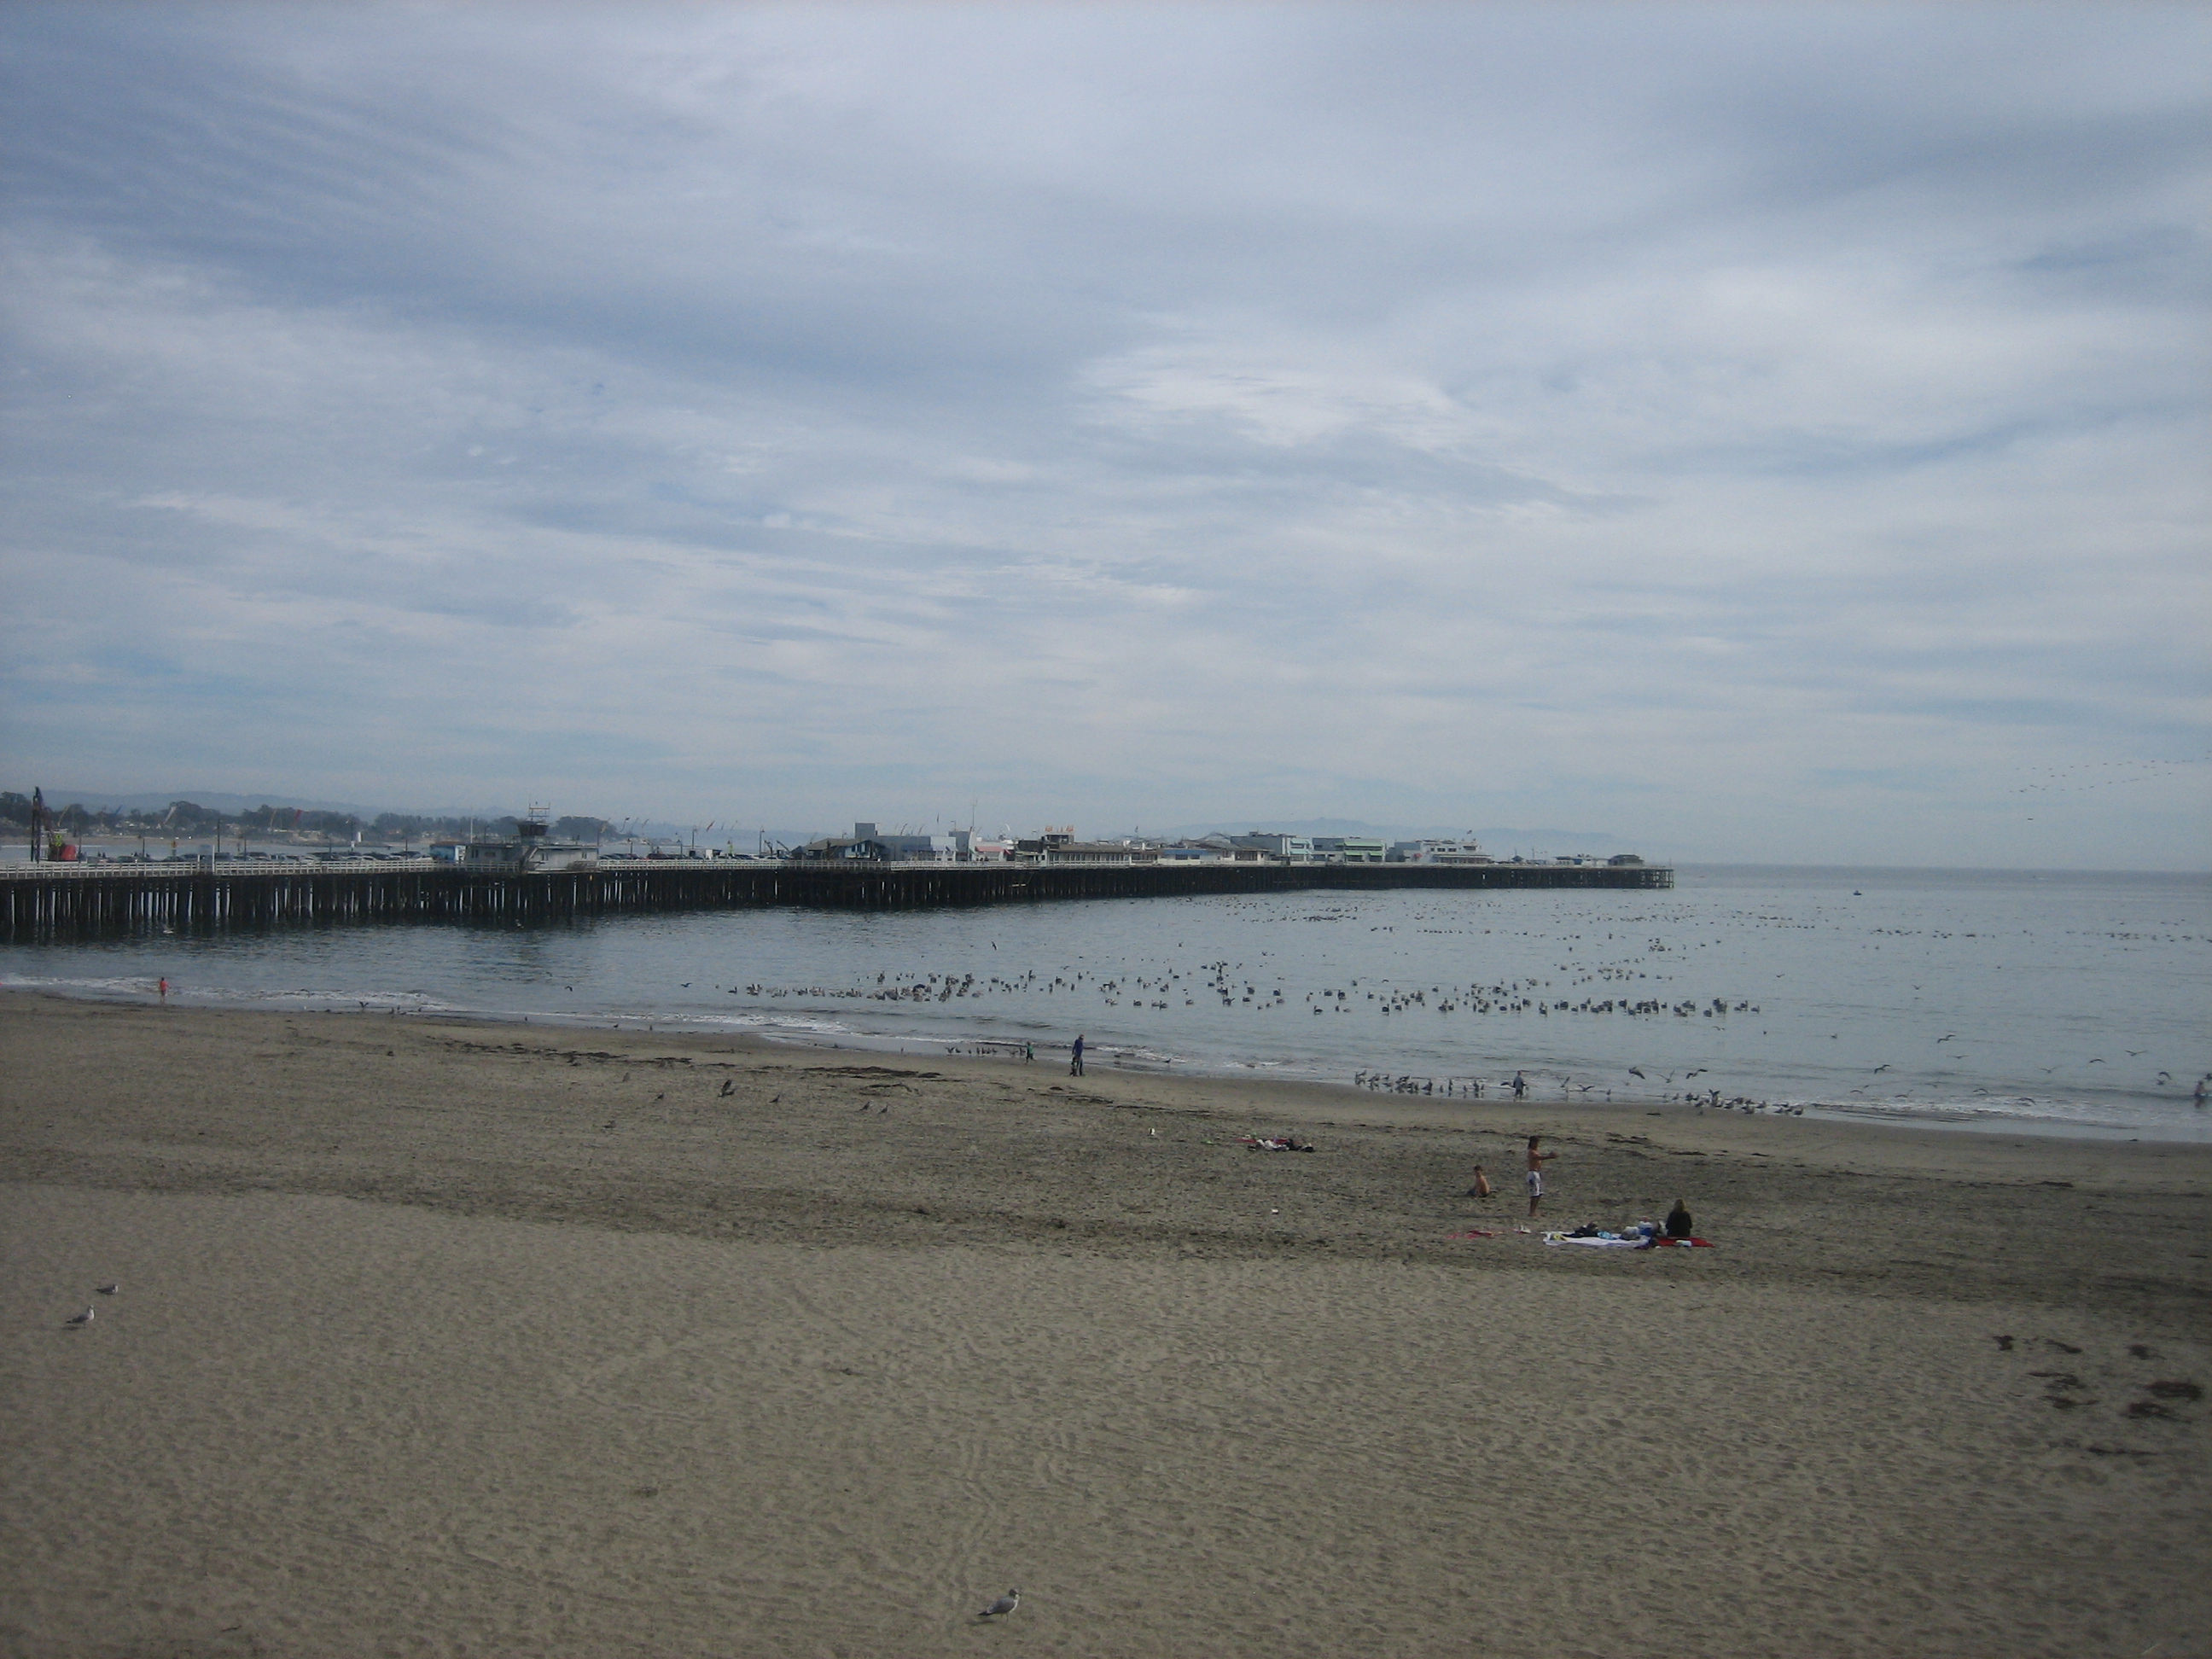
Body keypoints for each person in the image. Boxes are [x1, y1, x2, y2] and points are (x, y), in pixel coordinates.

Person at [1525, 1134, 1557, 1217]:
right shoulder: (1532, 1152)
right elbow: (1539, 1157)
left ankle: (1534, 1211)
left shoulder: (1535, 1151)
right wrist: (1549, 1157)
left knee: (1539, 1193)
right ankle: (1531, 1211)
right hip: (1533, 1173)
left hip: (1537, 1173)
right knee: (1534, 1194)